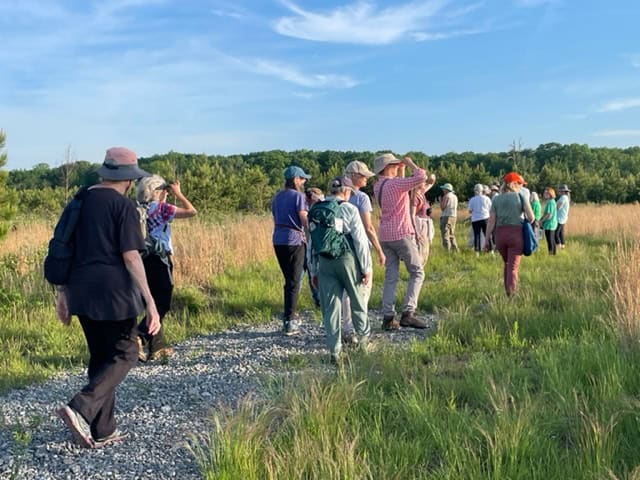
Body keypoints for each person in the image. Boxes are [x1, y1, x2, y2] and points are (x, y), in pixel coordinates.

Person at [55, 147, 160, 448]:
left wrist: (63, 295)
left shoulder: (78, 201)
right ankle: (81, 408)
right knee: (126, 353)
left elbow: (64, 250)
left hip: (81, 291)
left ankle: (103, 429)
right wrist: (150, 303)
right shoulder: (122, 207)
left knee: (102, 357)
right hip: (114, 293)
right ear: (128, 179)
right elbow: (131, 257)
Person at [308, 176, 372, 364]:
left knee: (331, 308)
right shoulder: (350, 209)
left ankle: (335, 351)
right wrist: (366, 267)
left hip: (324, 262)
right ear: (346, 191)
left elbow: (312, 243)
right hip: (347, 260)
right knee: (357, 302)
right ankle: (364, 344)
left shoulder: (316, 209)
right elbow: (360, 240)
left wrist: (313, 271)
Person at [135, 176, 197, 362]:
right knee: (162, 303)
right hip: (160, 259)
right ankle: (139, 336)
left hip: (141, 259)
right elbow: (191, 211)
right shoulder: (162, 208)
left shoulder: (136, 209)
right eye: (164, 190)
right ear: (157, 191)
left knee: (150, 303)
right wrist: (179, 193)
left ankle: (158, 347)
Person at [373, 153, 434, 330]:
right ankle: (408, 313)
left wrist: (400, 170)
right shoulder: (395, 184)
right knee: (417, 272)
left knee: (390, 277)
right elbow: (421, 177)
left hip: (385, 234)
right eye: (394, 165)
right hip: (401, 233)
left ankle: (388, 316)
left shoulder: (379, 186)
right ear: (388, 167)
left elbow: (402, 190)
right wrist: (410, 164)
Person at [338, 160, 385, 345]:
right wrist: (380, 250)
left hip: (340, 250)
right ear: (355, 176)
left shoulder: (335, 195)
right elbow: (368, 227)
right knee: (362, 290)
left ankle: (346, 328)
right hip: (359, 249)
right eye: (364, 175)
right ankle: (360, 330)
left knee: (345, 292)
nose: (367, 178)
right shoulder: (361, 198)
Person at [271, 165, 310, 336]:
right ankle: (289, 321)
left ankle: (289, 313)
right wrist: (313, 229)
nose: (304, 181)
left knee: (289, 279)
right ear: (295, 179)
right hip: (294, 240)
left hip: (278, 240)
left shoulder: (276, 197)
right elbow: (303, 218)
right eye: (302, 178)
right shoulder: (298, 197)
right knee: (294, 281)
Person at [484, 171, 535, 297]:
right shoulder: (520, 197)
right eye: (520, 184)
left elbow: (491, 221)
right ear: (514, 184)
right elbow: (531, 217)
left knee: (507, 264)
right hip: (516, 234)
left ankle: (507, 290)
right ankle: (511, 295)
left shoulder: (496, 199)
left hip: (500, 235)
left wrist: (486, 240)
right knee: (513, 267)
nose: (521, 186)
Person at [303, 187, 325, 308]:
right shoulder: (308, 209)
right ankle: (318, 299)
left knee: (313, 273)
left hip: (314, 245)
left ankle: (318, 299)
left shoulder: (315, 208)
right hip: (314, 245)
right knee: (314, 273)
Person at [411, 180, 435, 265]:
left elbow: (431, 182)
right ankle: (418, 270)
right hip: (419, 224)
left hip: (425, 223)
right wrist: (415, 231)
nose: (425, 183)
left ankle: (421, 269)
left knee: (425, 248)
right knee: (421, 247)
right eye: (423, 182)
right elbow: (412, 215)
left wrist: (431, 178)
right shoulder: (415, 197)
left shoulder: (422, 194)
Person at [468, 183, 492, 256]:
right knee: (487, 235)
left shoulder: (472, 199)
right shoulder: (487, 198)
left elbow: (470, 211)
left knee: (477, 235)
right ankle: (491, 251)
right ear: (482, 190)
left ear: (475, 191)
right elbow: (490, 209)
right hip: (485, 218)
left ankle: (477, 252)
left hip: (475, 219)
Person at [439, 183, 459, 252]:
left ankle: (447, 250)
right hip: (454, 216)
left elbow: (443, 208)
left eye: (444, 189)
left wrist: (440, 201)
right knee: (451, 234)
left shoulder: (446, 196)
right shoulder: (455, 197)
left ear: (446, 190)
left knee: (445, 234)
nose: (443, 190)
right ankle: (455, 249)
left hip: (446, 216)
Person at [539, 187, 558, 255]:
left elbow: (549, 215)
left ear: (550, 194)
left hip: (549, 224)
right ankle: (554, 254)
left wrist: (541, 221)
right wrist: (541, 219)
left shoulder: (550, 202)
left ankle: (551, 254)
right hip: (551, 224)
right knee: (552, 240)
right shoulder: (552, 201)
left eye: (546, 193)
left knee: (550, 240)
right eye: (544, 192)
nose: (544, 194)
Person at [555, 184, 571, 249]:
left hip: (559, 218)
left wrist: (552, 209)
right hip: (563, 218)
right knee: (561, 233)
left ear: (563, 191)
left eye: (560, 190)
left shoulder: (563, 197)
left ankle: (558, 247)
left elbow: (558, 207)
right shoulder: (566, 197)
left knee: (556, 233)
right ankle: (563, 246)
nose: (558, 192)